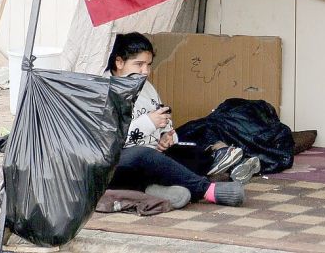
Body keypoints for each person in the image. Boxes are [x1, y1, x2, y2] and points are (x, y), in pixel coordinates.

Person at [107, 32, 251, 208]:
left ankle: (156, 190)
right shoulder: (105, 91)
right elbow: (109, 141)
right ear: (119, 62)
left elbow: (163, 120)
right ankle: (206, 189)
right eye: (139, 64)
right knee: (142, 155)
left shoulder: (146, 87)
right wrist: (148, 122)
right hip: (123, 162)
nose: (145, 71)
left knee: (197, 154)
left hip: (153, 157)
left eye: (148, 65)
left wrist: (166, 137)